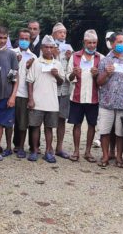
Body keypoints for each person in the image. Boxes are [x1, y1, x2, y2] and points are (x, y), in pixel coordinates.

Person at [96, 32, 123, 168]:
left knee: (120, 133)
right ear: (112, 44)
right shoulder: (105, 61)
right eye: (119, 42)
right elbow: (99, 82)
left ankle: (119, 157)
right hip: (107, 102)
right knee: (105, 131)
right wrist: (106, 73)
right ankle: (106, 155)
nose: (122, 45)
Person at [67, 29, 104, 163]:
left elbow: (104, 79)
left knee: (91, 125)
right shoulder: (75, 56)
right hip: (77, 96)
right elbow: (68, 77)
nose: (92, 45)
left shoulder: (101, 58)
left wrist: (97, 75)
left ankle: (88, 151)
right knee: (76, 124)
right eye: (89, 43)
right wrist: (73, 74)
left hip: (94, 97)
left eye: (94, 43)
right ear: (84, 42)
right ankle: (76, 150)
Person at [26, 36, 64, 163]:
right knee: (35, 127)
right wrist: (30, 99)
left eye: (51, 47)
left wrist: (56, 74)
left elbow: (61, 82)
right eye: (46, 47)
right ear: (42, 48)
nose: (48, 49)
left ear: (54, 49)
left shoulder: (57, 64)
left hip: (52, 103)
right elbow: (30, 81)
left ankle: (48, 151)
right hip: (37, 101)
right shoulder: (36, 62)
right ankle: (35, 150)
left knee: (49, 128)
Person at [0, 26, 19, 161]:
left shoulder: (11, 54)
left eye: (5, 38)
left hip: (6, 94)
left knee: (1, 123)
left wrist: (13, 96)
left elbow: (15, 78)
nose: (2, 41)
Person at [12, 29, 37, 158]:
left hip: (24, 94)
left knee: (22, 123)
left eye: (27, 39)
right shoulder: (11, 53)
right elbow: (8, 74)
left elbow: (33, 78)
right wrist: (15, 62)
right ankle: (9, 146)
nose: (24, 41)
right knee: (9, 121)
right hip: (10, 93)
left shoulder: (34, 57)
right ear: (18, 39)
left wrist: (29, 67)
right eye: (22, 39)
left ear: (30, 41)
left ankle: (21, 147)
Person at [52, 23, 73, 160]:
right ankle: (47, 147)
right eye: (60, 33)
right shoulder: (48, 45)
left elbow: (71, 67)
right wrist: (54, 55)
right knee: (46, 118)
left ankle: (59, 147)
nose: (62, 35)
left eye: (64, 33)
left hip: (64, 88)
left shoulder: (69, 47)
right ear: (54, 34)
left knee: (61, 119)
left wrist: (69, 57)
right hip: (51, 88)